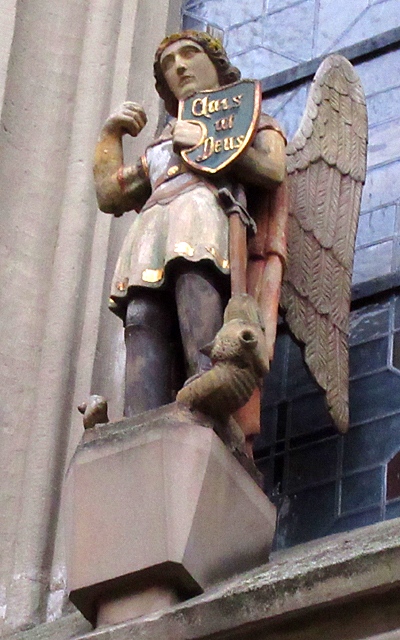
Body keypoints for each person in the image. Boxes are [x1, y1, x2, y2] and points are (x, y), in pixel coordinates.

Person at [93, 30, 286, 419]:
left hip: (202, 211)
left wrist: (205, 140)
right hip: (154, 221)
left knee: (193, 282)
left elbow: (272, 169)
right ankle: (139, 417)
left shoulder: (248, 117)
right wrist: (110, 135)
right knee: (141, 312)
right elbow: (111, 194)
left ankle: (208, 381)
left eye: (189, 54)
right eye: (169, 63)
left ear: (216, 64)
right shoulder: (162, 140)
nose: (179, 67)